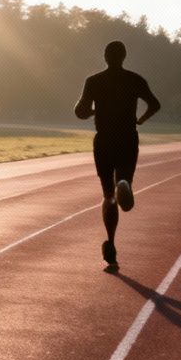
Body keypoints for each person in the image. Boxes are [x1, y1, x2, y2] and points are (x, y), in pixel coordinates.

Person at [74, 42, 160, 271]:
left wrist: (95, 109)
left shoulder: (93, 81)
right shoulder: (135, 79)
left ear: (105, 57)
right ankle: (125, 184)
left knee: (107, 195)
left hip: (103, 140)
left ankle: (111, 245)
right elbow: (155, 104)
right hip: (127, 138)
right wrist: (140, 119)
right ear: (124, 56)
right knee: (123, 179)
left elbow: (80, 111)